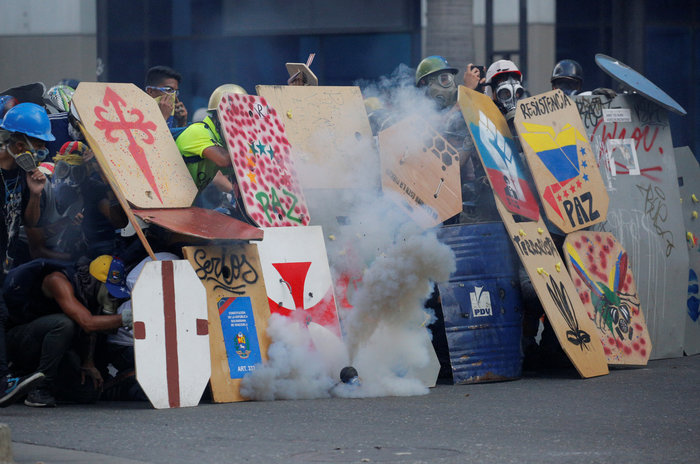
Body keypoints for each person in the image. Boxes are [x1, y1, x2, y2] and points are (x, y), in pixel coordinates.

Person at [4, 255, 133, 407]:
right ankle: (40, 389)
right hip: (19, 340)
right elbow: (88, 323)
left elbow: (90, 330)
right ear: (95, 281)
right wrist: (127, 318)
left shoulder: (89, 294)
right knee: (64, 324)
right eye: (110, 293)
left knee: (88, 392)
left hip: (53, 348)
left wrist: (88, 362)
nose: (112, 300)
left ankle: (25, 385)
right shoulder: (58, 280)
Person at [0, 102, 53, 405]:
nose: (43, 153)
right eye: (39, 145)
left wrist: (34, 194)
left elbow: (30, 222)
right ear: (18, 144)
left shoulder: (22, 176)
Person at [175, 84, 245, 217]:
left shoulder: (221, 139)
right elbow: (224, 160)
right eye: (235, 116)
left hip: (184, 207)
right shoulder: (199, 131)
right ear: (219, 116)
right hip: (164, 207)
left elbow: (240, 175)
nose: (239, 123)